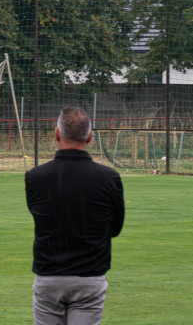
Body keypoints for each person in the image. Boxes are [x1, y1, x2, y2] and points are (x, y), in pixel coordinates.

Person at [25, 106, 124, 325]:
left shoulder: (35, 177)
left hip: (49, 274)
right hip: (89, 274)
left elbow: (40, 215)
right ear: (89, 137)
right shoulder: (109, 177)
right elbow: (115, 228)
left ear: (57, 134)